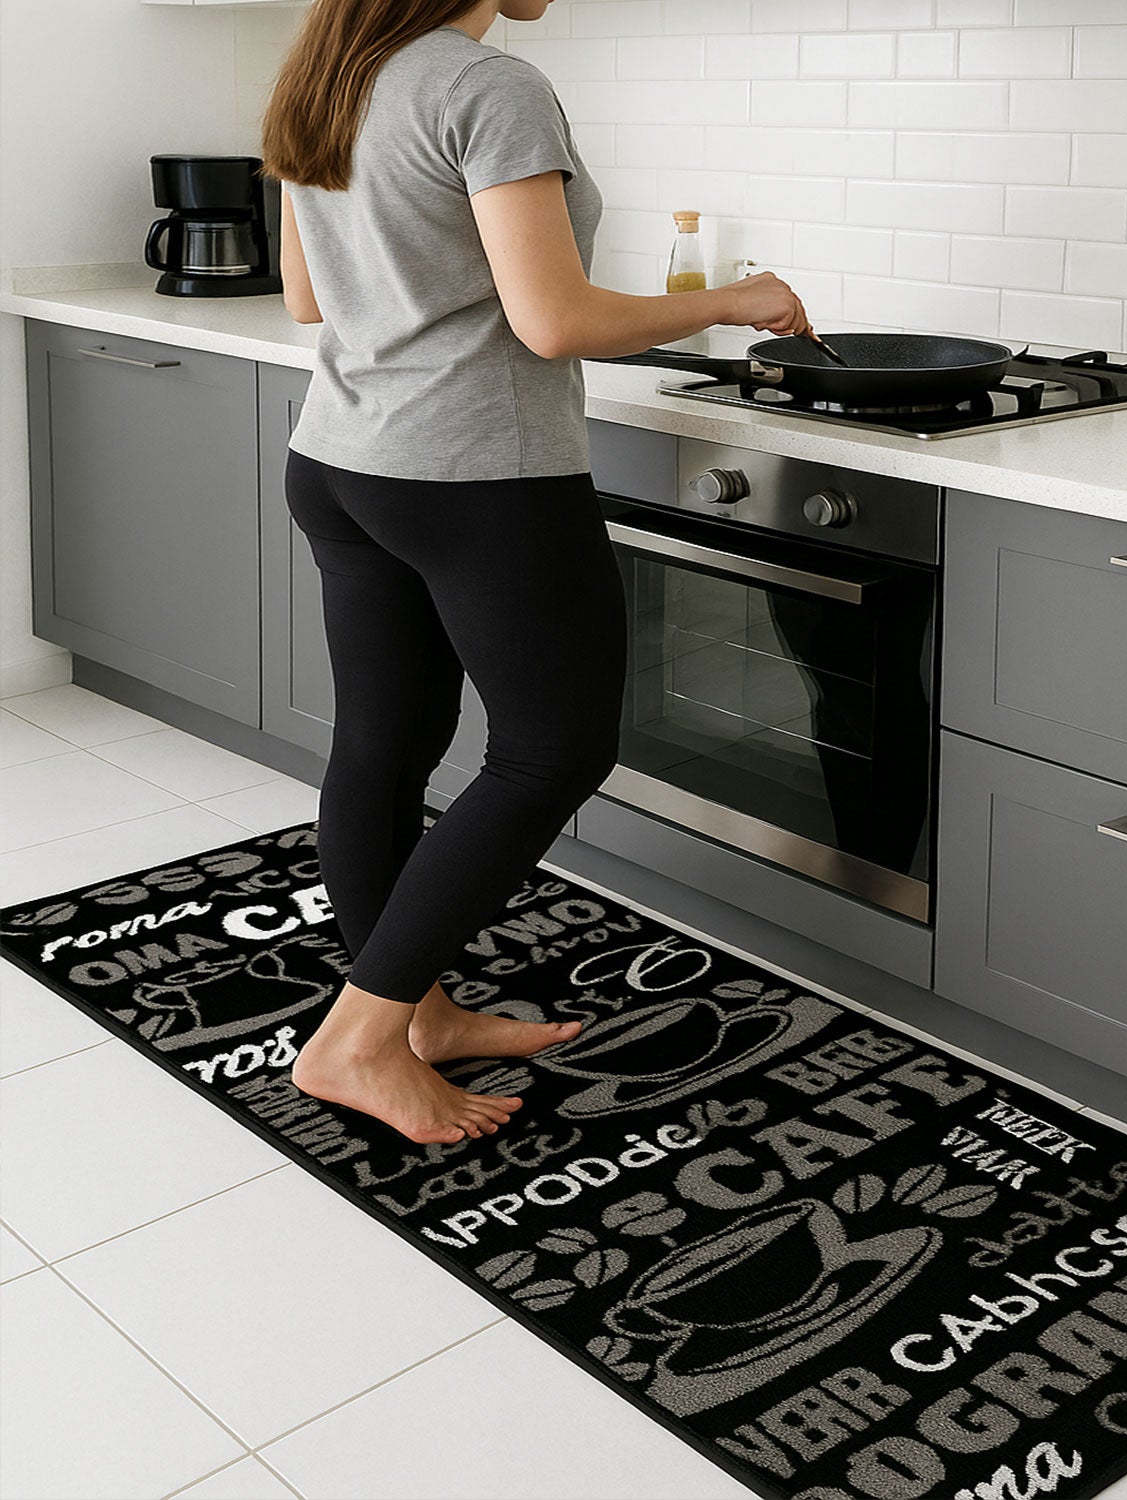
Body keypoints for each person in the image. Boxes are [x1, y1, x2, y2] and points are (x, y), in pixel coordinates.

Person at [259, 0, 810, 1147]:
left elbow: (309, 298)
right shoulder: (487, 87)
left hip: (344, 457)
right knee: (553, 751)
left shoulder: (327, 76)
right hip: (478, 474)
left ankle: (417, 1014)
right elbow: (554, 321)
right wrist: (735, 297)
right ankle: (359, 1040)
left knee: (383, 744)